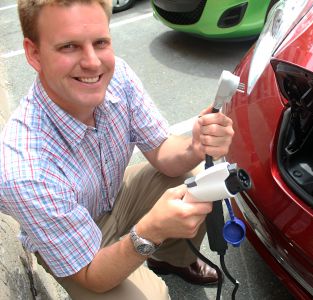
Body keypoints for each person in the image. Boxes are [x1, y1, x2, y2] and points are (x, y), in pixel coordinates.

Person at [0, 0, 235, 299]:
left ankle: (172, 260)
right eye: (69, 46)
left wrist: (195, 145)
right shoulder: (24, 169)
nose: (93, 63)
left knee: (194, 180)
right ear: (34, 53)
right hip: (76, 245)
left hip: (111, 196)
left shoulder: (117, 76)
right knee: (151, 297)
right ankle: (151, 250)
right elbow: (90, 274)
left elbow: (162, 151)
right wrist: (150, 231)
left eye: (100, 42)